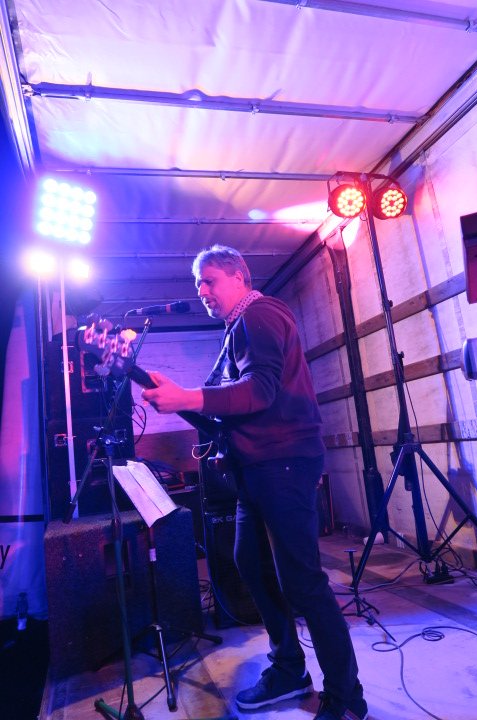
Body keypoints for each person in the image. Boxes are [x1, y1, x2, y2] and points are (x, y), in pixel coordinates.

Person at [142, 245, 368, 720]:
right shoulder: (235, 330)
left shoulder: (260, 315)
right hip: (256, 468)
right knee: (251, 564)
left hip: (283, 463)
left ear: (239, 277)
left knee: (302, 581)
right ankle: (289, 668)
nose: (201, 291)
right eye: (198, 284)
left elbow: (260, 391)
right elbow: (222, 412)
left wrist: (189, 396)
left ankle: (348, 696)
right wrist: (171, 396)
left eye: (209, 280)